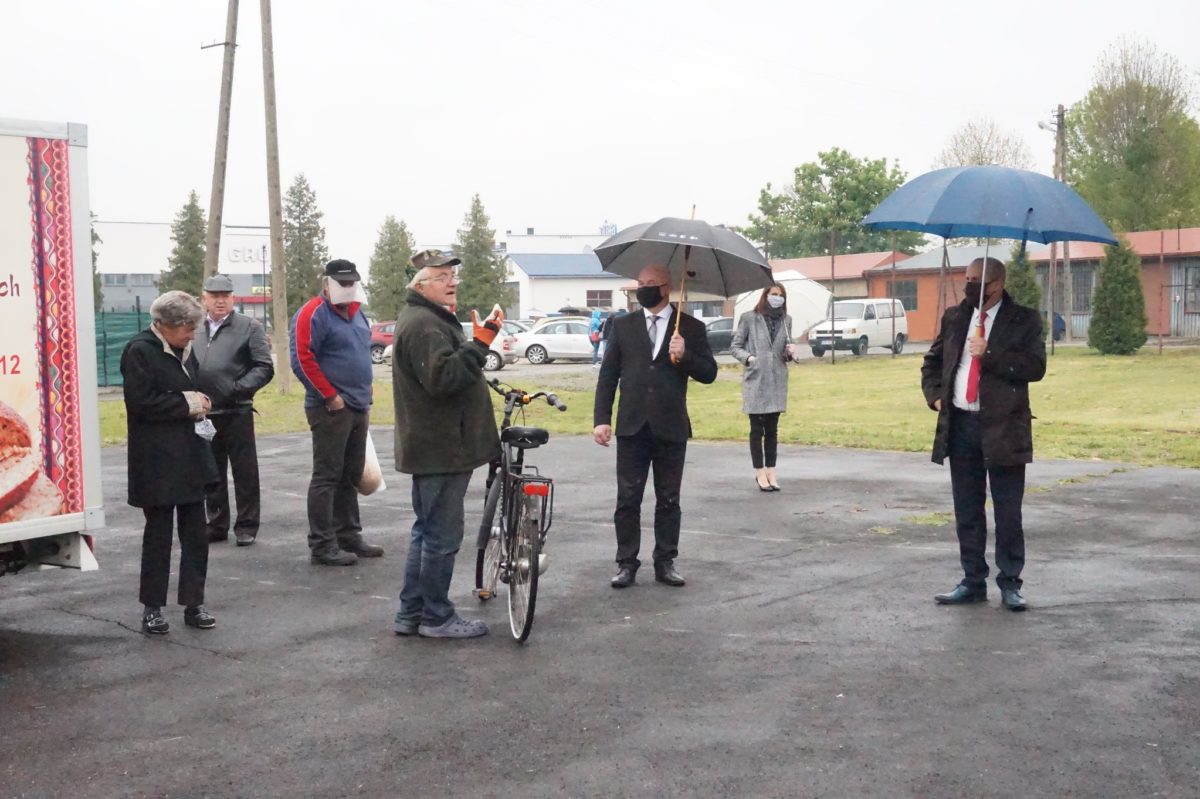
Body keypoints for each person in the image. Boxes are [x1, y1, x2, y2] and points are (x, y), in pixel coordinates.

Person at [920, 256, 1046, 612]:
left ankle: (1010, 582)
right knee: (967, 509)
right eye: (967, 278)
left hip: (1004, 428)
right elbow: (932, 362)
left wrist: (988, 352)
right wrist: (936, 396)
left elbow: (1035, 367)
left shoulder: (1024, 319)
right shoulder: (955, 316)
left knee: (1008, 511)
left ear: (998, 284)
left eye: (978, 281)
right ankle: (972, 581)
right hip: (961, 425)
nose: (970, 286)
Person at [391, 250, 502, 639]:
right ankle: (436, 617)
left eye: (453, 275)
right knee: (441, 536)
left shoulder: (427, 319)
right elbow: (443, 379)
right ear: (421, 285)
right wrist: (481, 344)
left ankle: (412, 613)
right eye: (442, 276)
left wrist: (473, 345)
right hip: (441, 448)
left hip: (435, 446)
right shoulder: (425, 324)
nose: (452, 282)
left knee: (426, 532)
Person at [593, 264, 718, 589]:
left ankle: (665, 561)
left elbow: (709, 372)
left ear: (666, 288)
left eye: (651, 283)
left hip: (670, 425)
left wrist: (685, 354)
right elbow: (608, 375)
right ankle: (626, 562)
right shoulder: (623, 325)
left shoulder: (689, 327)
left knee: (669, 499)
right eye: (640, 283)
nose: (643, 288)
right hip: (632, 425)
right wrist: (602, 419)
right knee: (627, 498)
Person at [120, 290, 218, 634]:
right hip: (156, 462)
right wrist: (187, 403)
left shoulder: (186, 349)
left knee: (196, 536)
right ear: (164, 324)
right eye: (187, 328)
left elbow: (193, 388)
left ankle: (195, 603)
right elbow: (141, 403)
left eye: (194, 328)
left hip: (191, 457)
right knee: (158, 536)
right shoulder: (140, 350)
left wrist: (202, 401)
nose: (192, 335)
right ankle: (152, 608)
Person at [290, 259, 384, 566]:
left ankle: (348, 535)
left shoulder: (358, 313)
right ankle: (322, 543)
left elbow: (359, 353)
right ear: (327, 283)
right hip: (330, 408)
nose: (348, 287)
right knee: (327, 476)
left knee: (350, 474)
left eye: (351, 282)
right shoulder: (312, 313)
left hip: (358, 404)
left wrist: (366, 387)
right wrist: (329, 395)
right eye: (342, 283)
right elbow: (302, 359)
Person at [195, 274, 274, 547]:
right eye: (214, 296)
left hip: (237, 411)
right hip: (205, 413)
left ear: (233, 298)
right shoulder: (195, 327)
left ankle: (247, 526)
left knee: (245, 471)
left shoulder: (249, 327)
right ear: (204, 298)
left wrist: (236, 388)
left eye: (225, 296)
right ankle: (217, 523)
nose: (220, 301)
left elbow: (264, 367)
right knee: (211, 471)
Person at [731, 284, 796, 492]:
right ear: (765, 296)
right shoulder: (750, 318)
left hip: (777, 380)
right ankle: (759, 471)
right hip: (756, 379)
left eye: (781, 295)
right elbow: (735, 346)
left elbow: (784, 354)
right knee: (757, 429)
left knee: (772, 429)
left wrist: (789, 352)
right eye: (774, 294)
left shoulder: (786, 320)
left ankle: (771, 471)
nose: (777, 298)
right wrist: (749, 358)